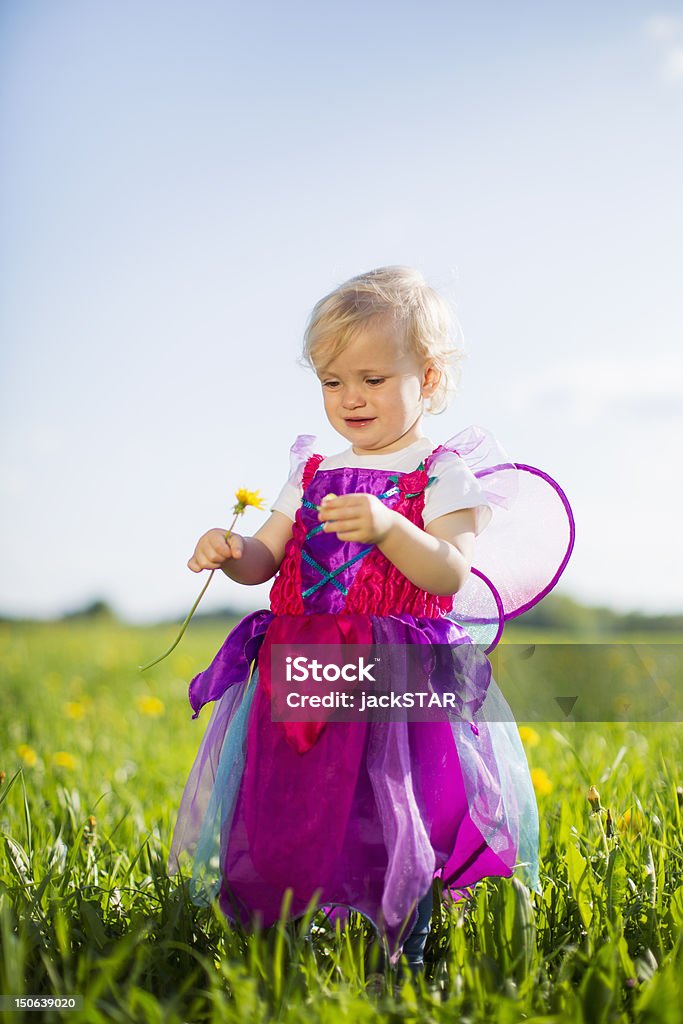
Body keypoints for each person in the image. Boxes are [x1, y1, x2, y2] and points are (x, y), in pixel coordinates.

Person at [167, 266, 574, 980]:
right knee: (289, 808)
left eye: (372, 379)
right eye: (331, 382)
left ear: (428, 375)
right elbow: (266, 559)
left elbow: (449, 573)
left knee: (395, 812)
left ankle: (398, 952)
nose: (349, 398)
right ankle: (284, 948)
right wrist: (231, 553)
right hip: (303, 667)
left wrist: (389, 527)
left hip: (394, 671)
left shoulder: (440, 473)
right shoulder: (314, 470)